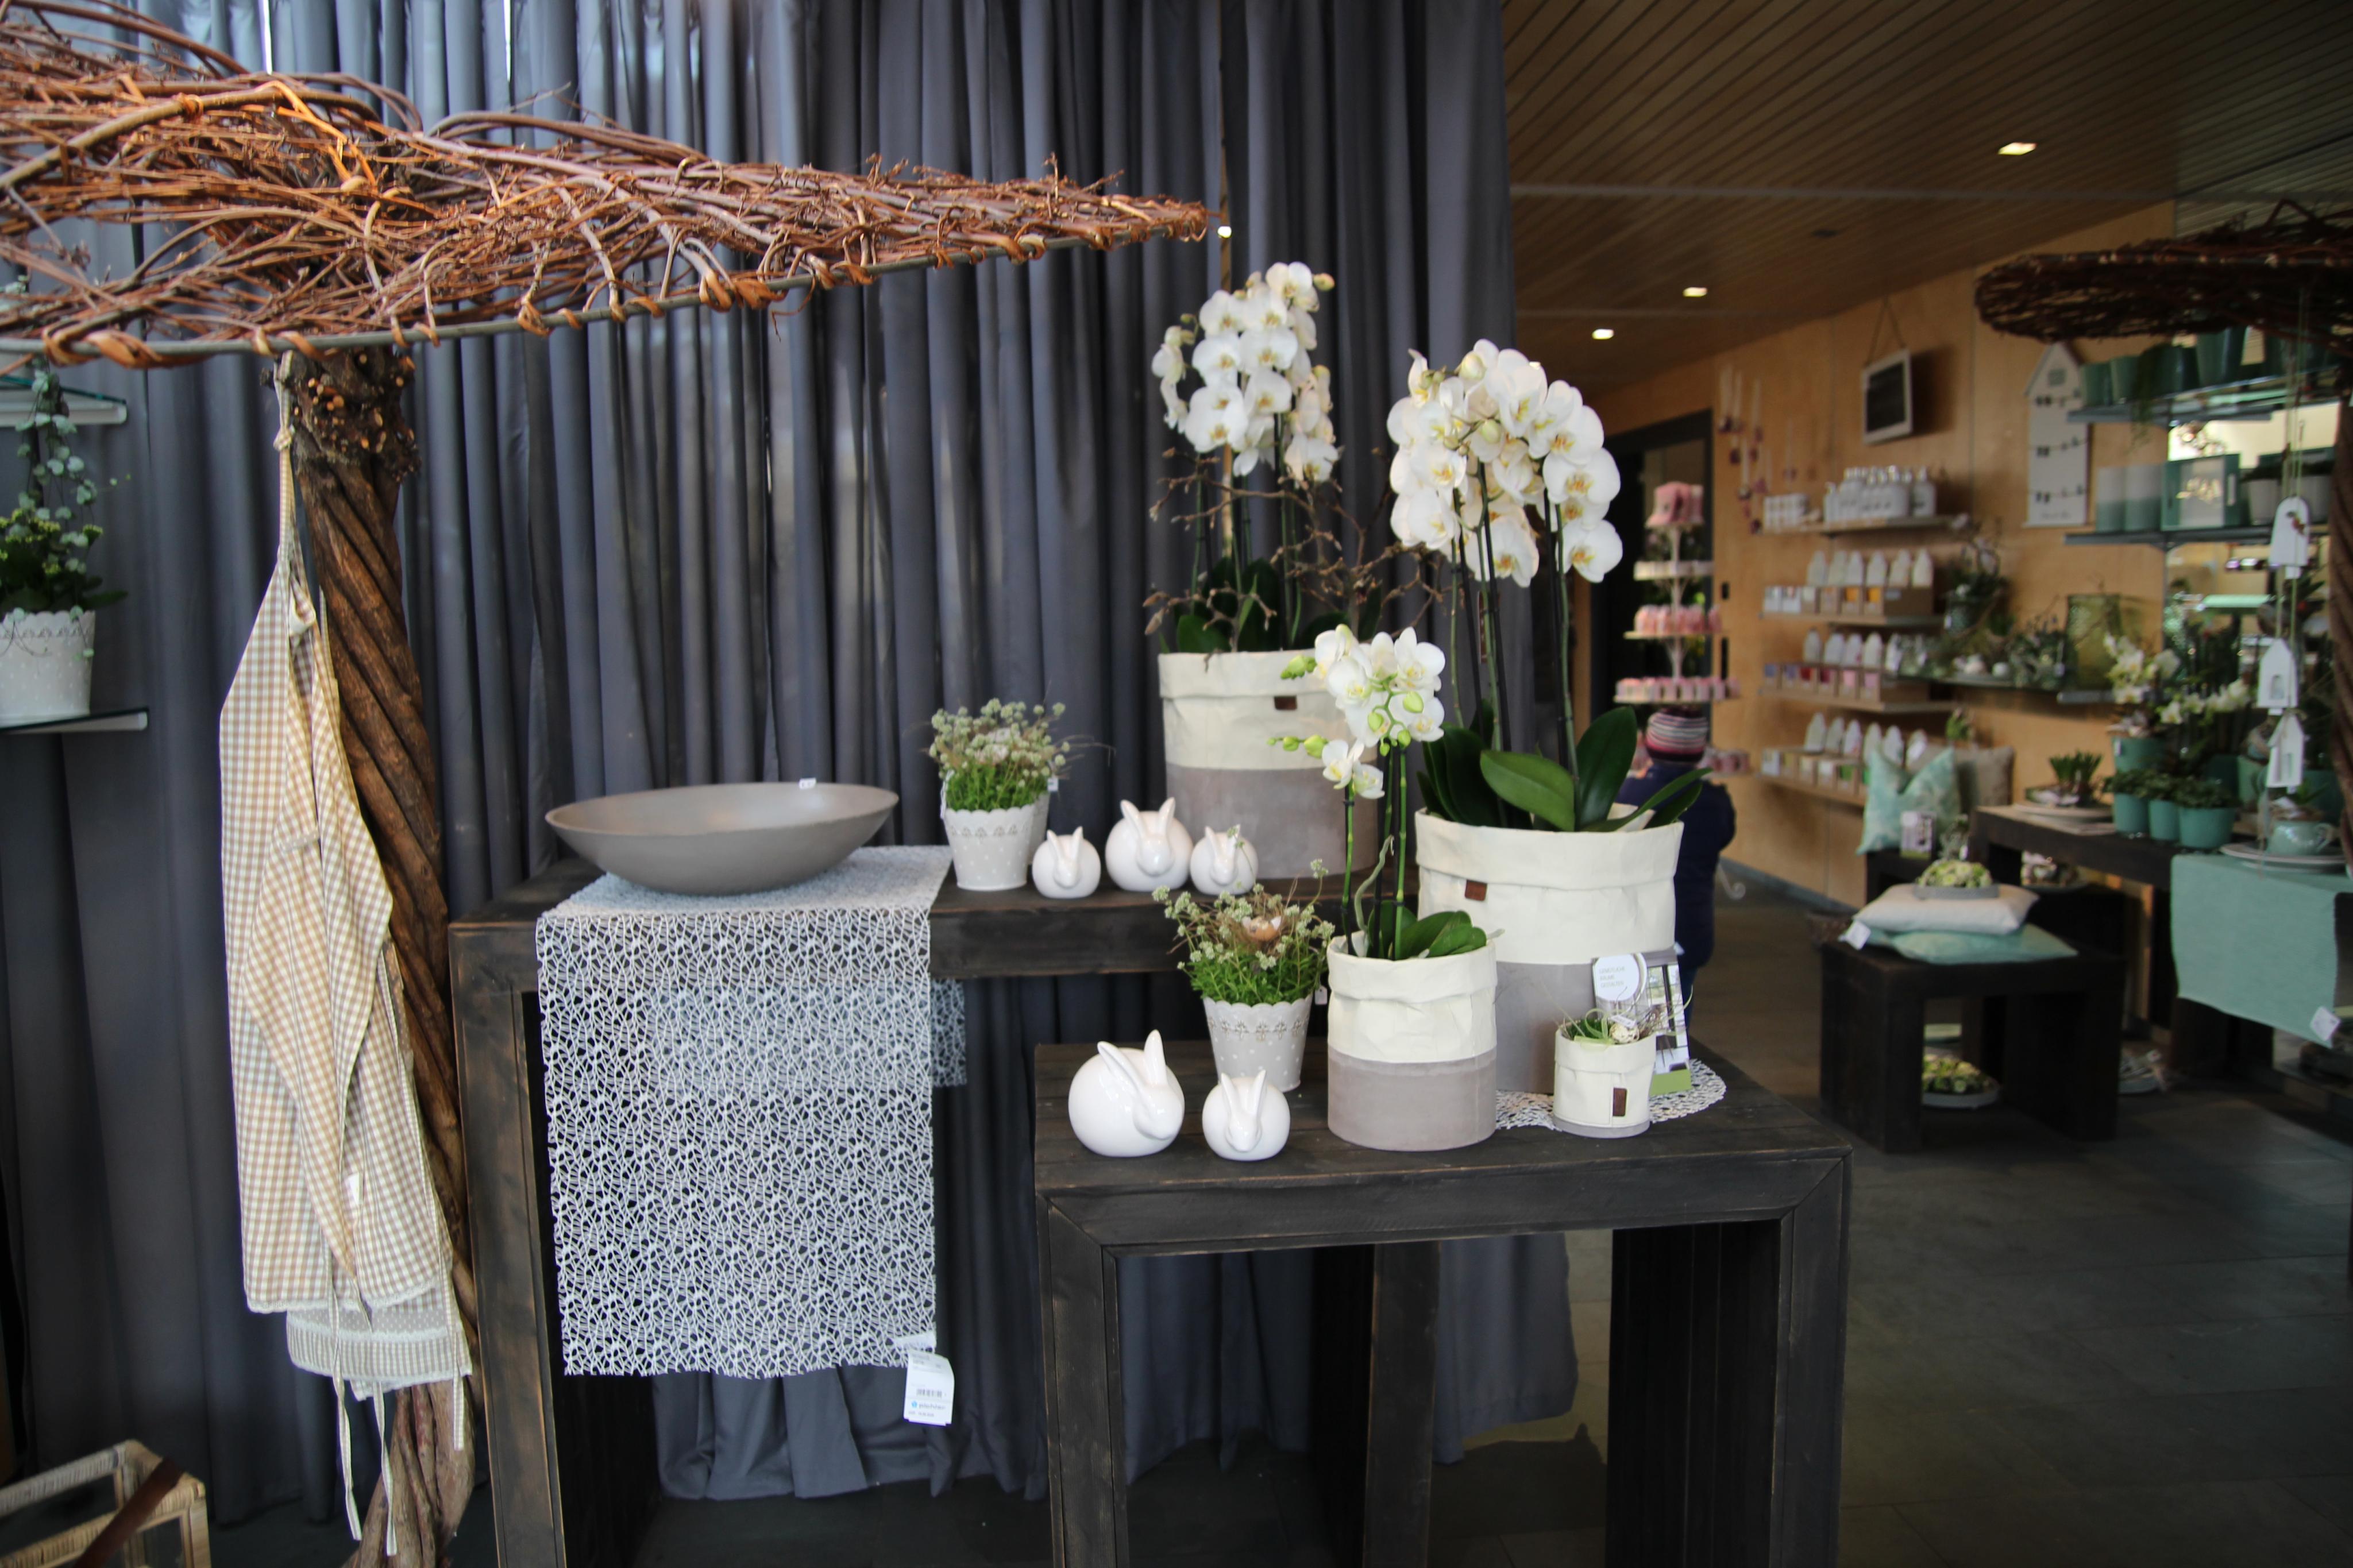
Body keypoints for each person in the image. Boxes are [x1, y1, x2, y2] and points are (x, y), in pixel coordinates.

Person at [1615, 708, 1736, 976]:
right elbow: (1725, 836)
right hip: (1691, 923)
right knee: (1683, 991)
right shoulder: (1715, 801)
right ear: (1700, 751)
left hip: (1635, 922)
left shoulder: (1628, 793)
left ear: (1649, 746)